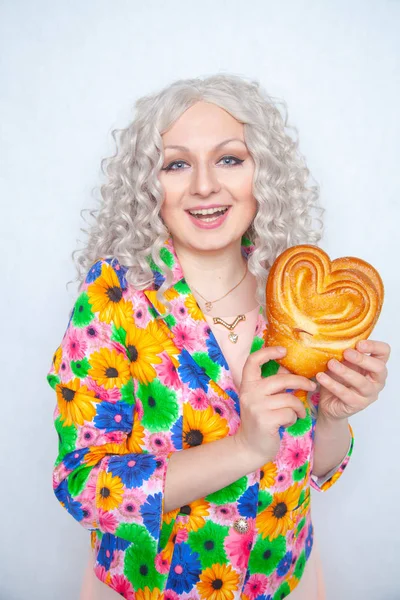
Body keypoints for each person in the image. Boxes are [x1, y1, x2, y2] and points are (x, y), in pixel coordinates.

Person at [47, 74, 390, 600]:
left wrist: (335, 416)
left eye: (230, 159)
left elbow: (314, 465)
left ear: (263, 174)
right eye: (177, 164)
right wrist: (244, 448)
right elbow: (84, 488)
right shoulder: (113, 299)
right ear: (148, 184)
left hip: (283, 580)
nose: (205, 185)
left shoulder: (293, 294)